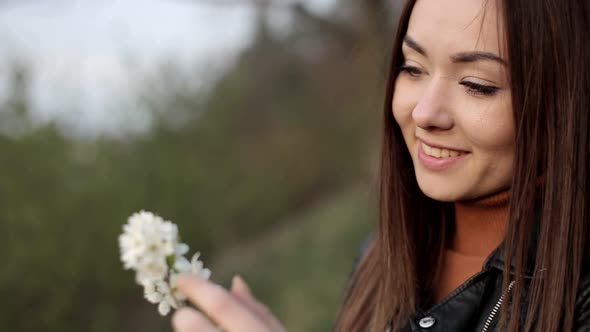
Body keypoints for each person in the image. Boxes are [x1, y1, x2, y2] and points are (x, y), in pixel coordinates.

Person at [170, 0, 590, 331]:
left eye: (477, 85)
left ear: (561, 100)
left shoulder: (576, 291)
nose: (425, 112)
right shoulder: (377, 259)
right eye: (412, 68)